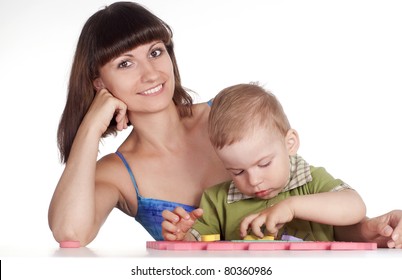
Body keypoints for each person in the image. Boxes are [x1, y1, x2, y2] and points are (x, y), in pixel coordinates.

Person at [48, 1, 402, 248]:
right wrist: (91, 126)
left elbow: (305, 208)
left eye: (156, 52)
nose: (152, 73)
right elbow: (70, 234)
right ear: (99, 83)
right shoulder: (116, 173)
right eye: (125, 64)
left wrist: (369, 229)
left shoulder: (230, 116)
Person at [162, 83, 368, 241]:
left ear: (290, 143)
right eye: (237, 171)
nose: (254, 180)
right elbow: (197, 249)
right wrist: (182, 236)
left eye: (264, 164)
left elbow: (355, 207)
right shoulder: (217, 200)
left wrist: (291, 207)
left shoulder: (311, 181)